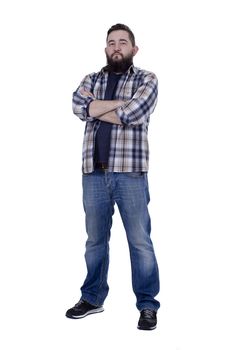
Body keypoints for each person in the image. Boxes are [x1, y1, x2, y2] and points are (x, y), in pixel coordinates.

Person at [66, 23, 160, 331]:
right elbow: (77, 105)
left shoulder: (146, 78)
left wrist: (96, 108)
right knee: (95, 241)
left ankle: (147, 305)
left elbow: (136, 113)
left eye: (122, 42)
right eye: (111, 42)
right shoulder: (91, 79)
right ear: (106, 49)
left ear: (134, 49)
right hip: (94, 173)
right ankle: (92, 298)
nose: (116, 46)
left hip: (130, 174)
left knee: (139, 242)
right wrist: (119, 106)